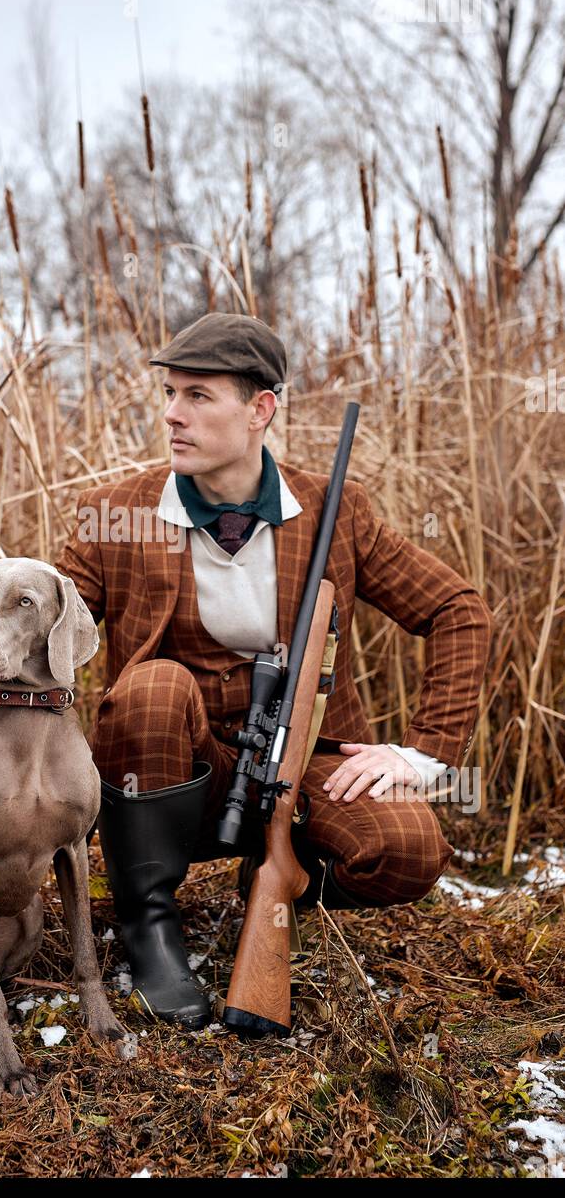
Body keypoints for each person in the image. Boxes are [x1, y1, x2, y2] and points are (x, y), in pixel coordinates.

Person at [54, 312, 494, 1031]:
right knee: (153, 687)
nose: (172, 414)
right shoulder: (119, 513)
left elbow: (457, 610)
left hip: (299, 764)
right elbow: (53, 628)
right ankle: (149, 925)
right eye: (170, 393)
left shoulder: (334, 510)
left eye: (198, 396)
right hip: (175, 772)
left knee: (408, 849)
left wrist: (422, 754)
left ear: (260, 409)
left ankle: (280, 874)